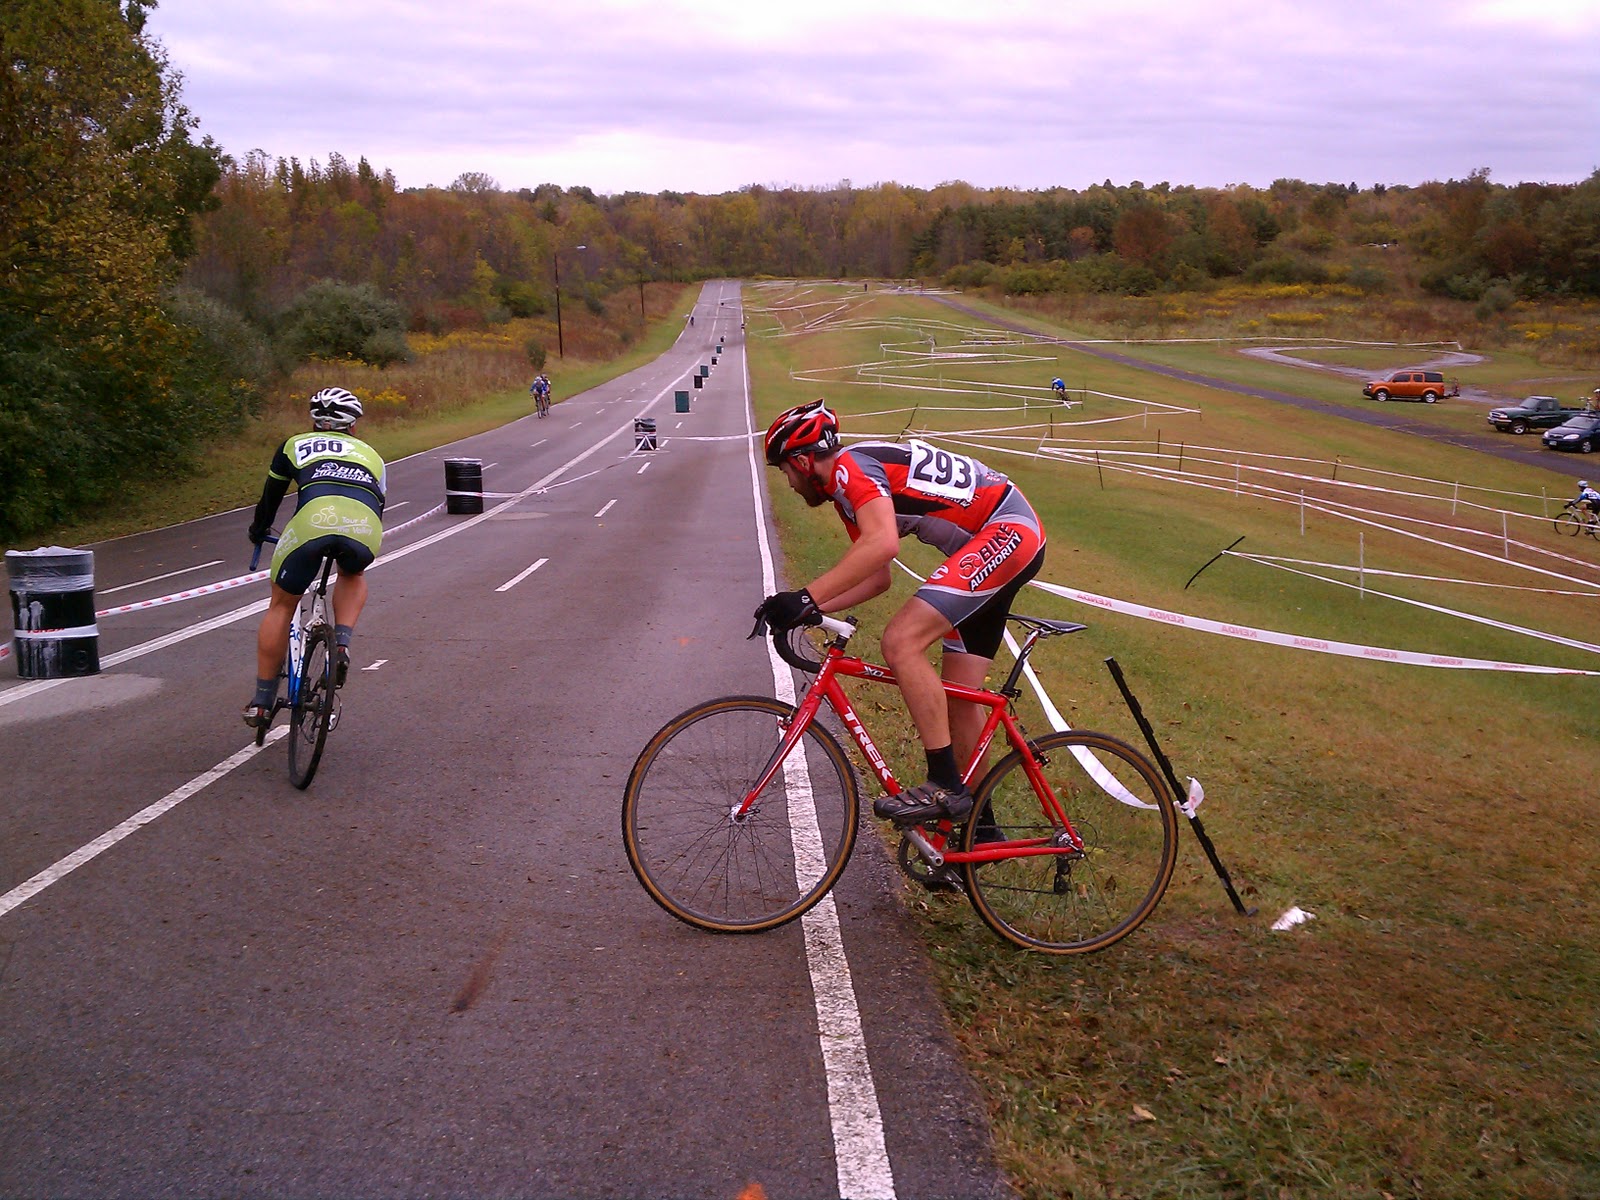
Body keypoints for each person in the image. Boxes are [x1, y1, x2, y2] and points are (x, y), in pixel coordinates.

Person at [754, 400, 1046, 829]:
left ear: (802, 461)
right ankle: (980, 831)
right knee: (959, 700)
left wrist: (805, 596)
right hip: (1005, 536)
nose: (791, 485)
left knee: (900, 641)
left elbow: (883, 545)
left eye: (786, 472)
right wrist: (809, 609)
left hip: (1007, 530)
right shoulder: (850, 486)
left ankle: (944, 783)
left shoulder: (850, 468)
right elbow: (877, 579)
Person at [243, 387, 386, 728]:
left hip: (312, 523)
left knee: (281, 604)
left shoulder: (294, 445)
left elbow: (270, 499)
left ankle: (262, 701)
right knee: (352, 573)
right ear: (353, 425)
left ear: (315, 422)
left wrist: (258, 531)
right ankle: (342, 643)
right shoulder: (374, 457)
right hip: (363, 525)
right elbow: (378, 505)